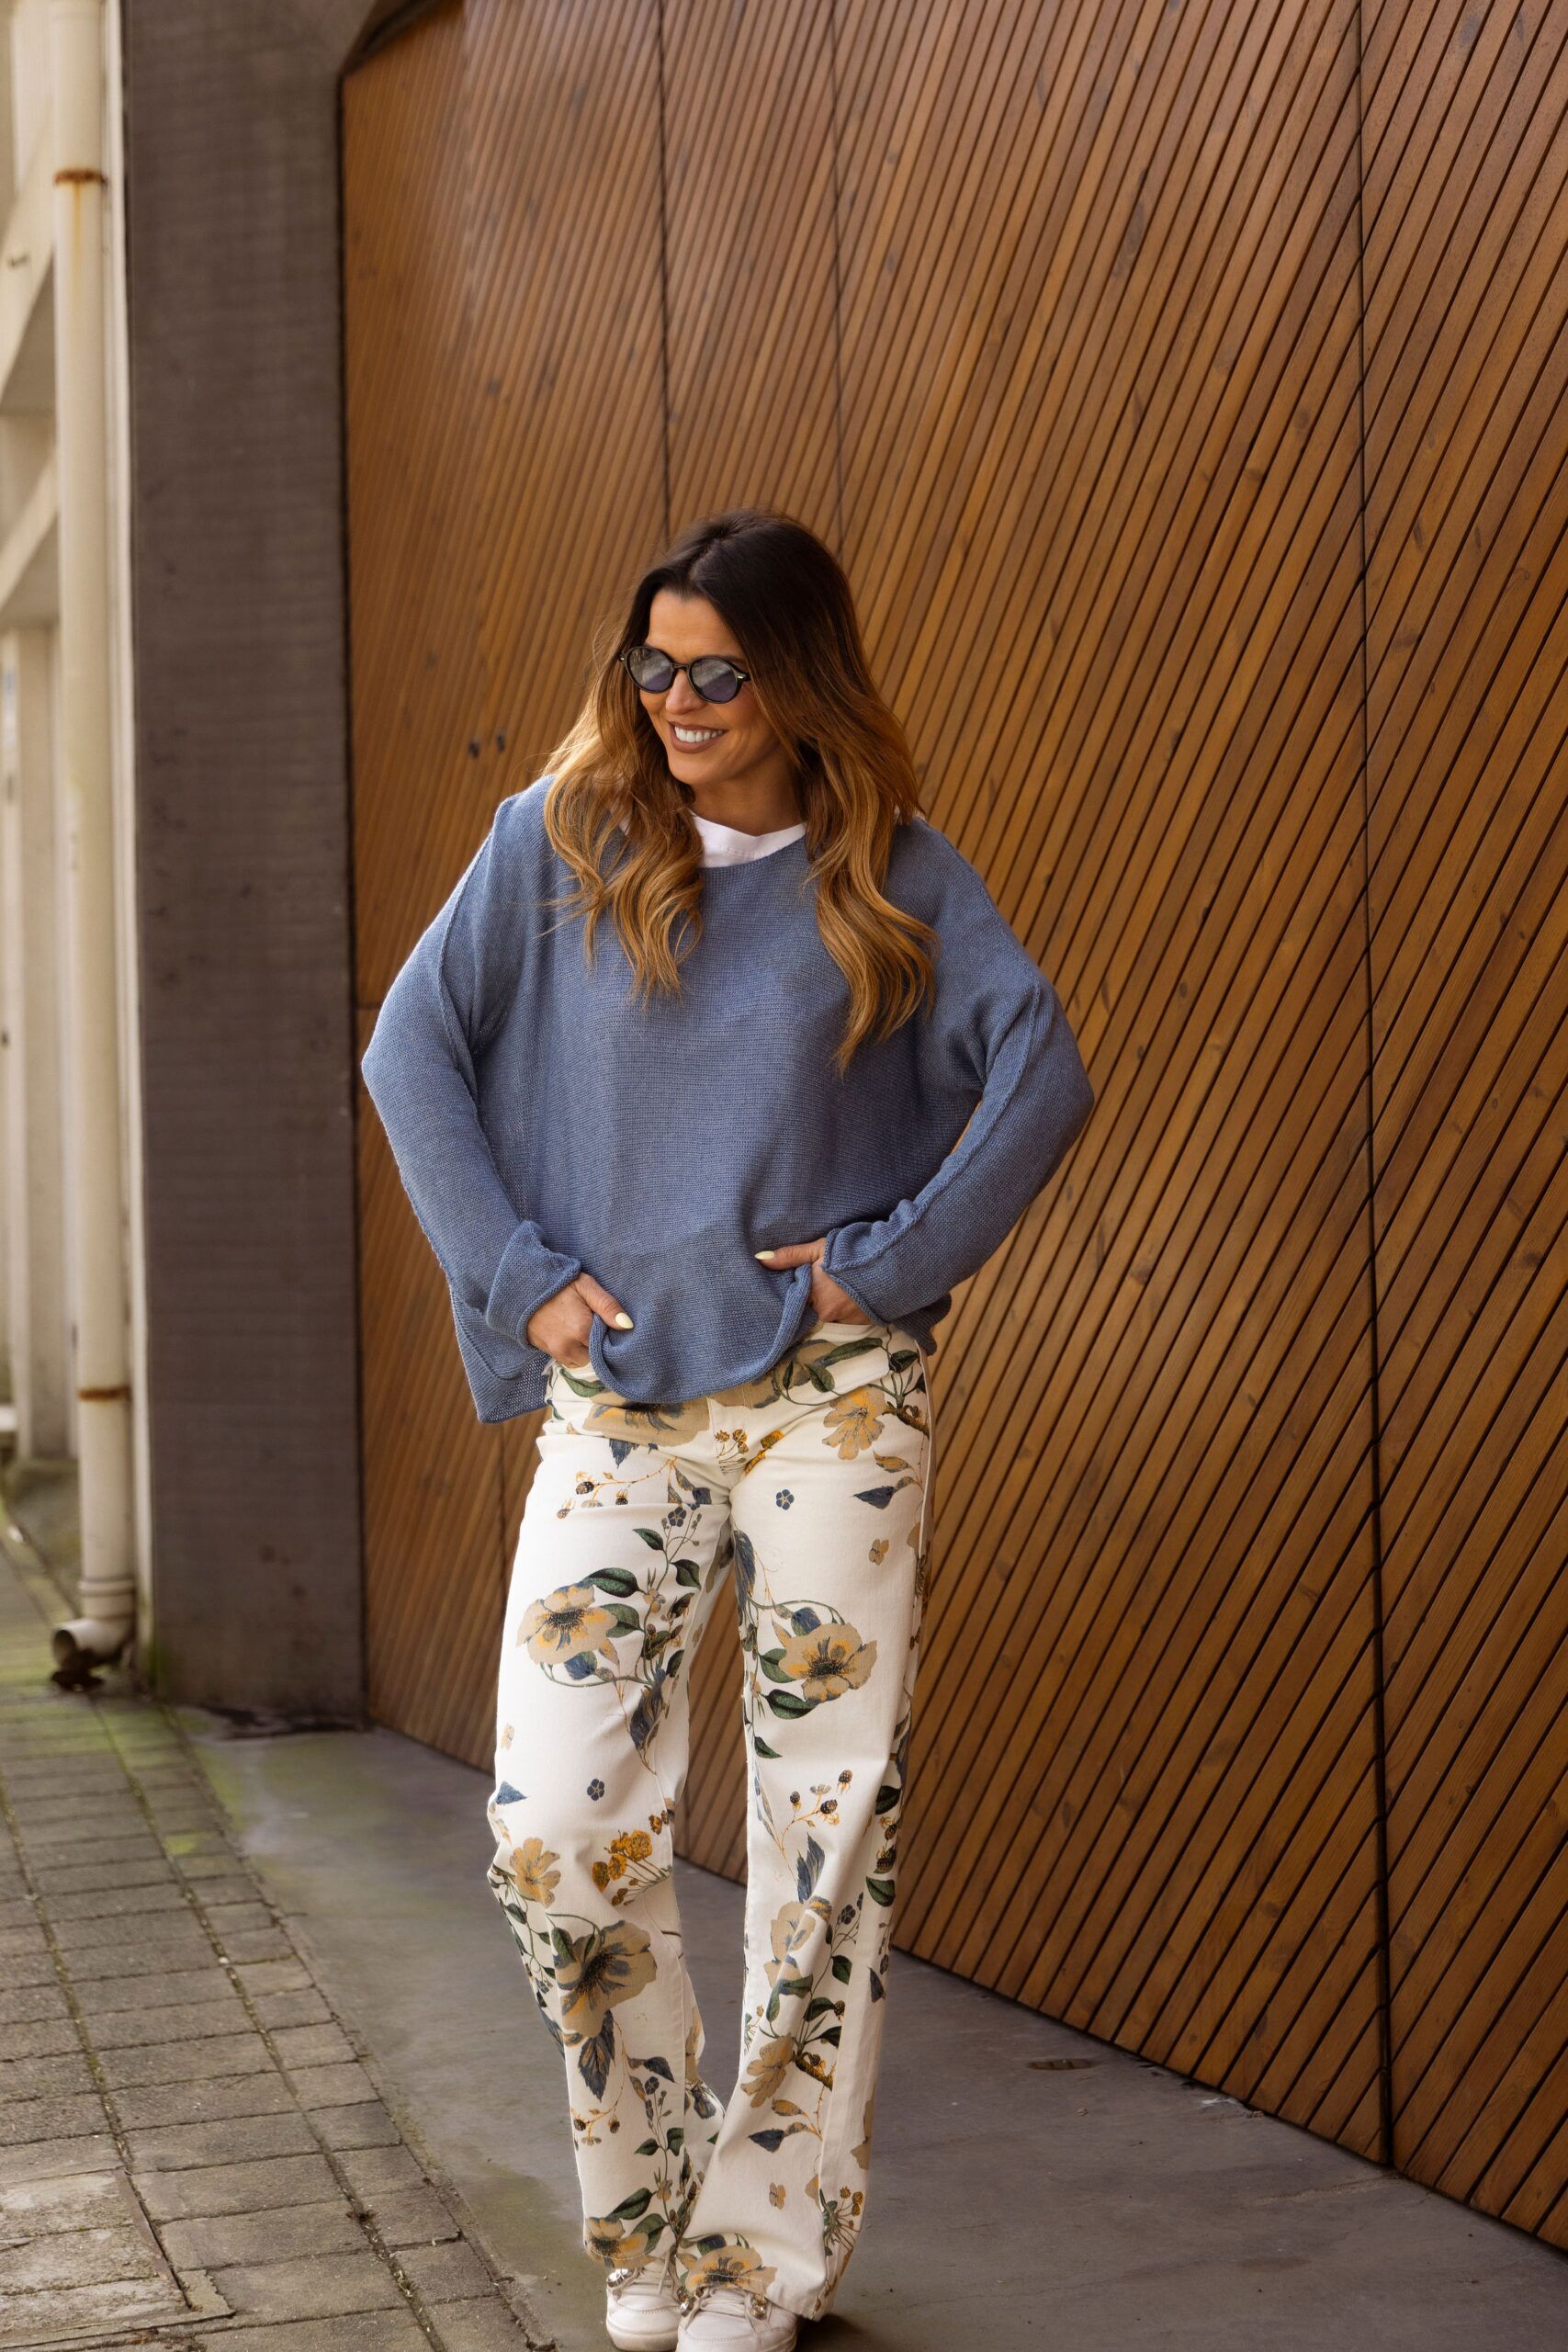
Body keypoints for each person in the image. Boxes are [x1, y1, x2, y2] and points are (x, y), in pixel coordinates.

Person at [359, 508, 1095, 2351]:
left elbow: (1041, 1068)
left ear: (798, 680)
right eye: (654, 665)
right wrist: (518, 1274)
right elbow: (407, 1048)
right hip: (620, 1398)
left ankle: (759, 2255)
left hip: (828, 1402)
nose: (677, 702)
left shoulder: (889, 869)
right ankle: (652, 2210)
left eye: (718, 672)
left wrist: (883, 1269)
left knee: (821, 1826)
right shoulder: (563, 840)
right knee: (552, 1824)